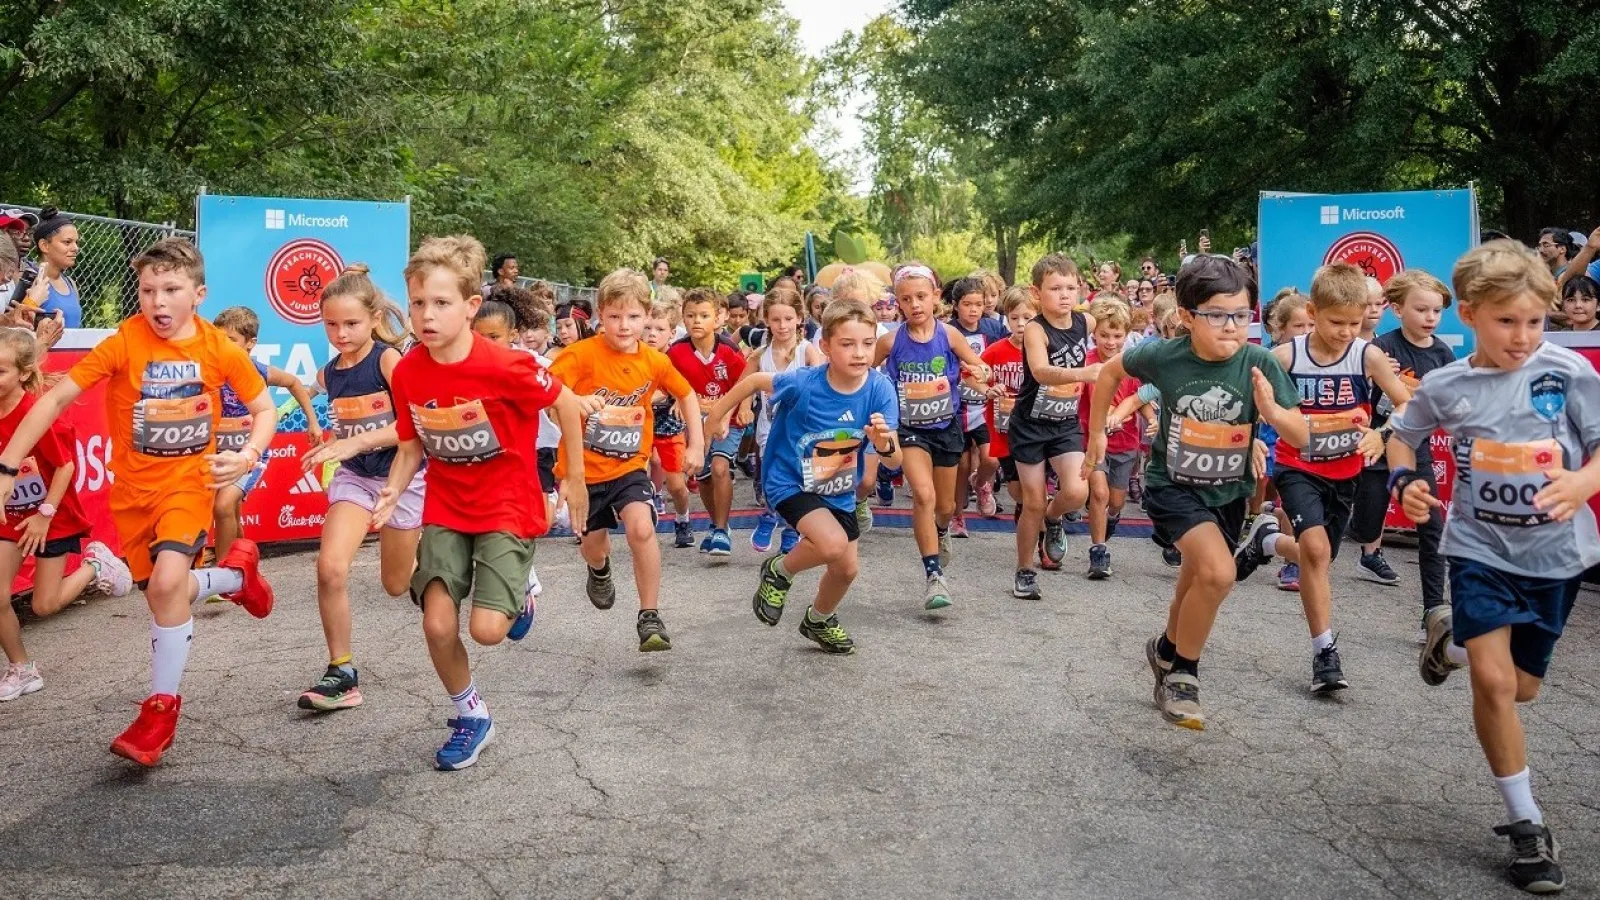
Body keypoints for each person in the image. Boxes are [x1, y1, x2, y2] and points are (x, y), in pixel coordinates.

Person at [0, 237, 276, 765]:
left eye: (171, 289)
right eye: (148, 290)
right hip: (132, 499)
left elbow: (264, 409)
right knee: (162, 594)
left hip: (187, 487)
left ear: (199, 294)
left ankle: (159, 712)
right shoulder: (125, 341)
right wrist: (8, 465)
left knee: (169, 586)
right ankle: (238, 577)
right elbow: (54, 397)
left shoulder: (218, 348)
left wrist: (247, 455)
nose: (158, 301)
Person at [1388, 240, 1600, 895]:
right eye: (1507, 321)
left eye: (1535, 321)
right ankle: (1527, 823)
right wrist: (1404, 482)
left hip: (1558, 557)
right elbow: (1403, 435)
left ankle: (1446, 644)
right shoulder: (1448, 384)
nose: (1523, 336)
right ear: (1473, 314)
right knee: (1495, 681)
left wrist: (1581, 484)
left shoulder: (1568, 373)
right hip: (1478, 551)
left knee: (1523, 688)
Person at [375, 235, 587, 771]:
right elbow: (410, 444)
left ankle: (523, 593)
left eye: (441, 303)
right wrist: (393, 490)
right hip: (446, 506)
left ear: (471, 307)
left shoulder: (507, 364)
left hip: (506, 507)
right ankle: (471, 716)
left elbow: (564, 404)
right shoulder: (408, 371)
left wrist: (575, 478)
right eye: (419, 302)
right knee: (437, 623)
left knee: (488, 631)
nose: (427, 315)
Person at [1087, 255, 1306, 730]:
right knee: (1218, 572)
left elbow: (1301, 435)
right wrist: (1097, 437)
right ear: (1187, 318)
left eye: (1241, 315)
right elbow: (1108, 373)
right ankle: (1184, 674)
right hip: (1172, 486)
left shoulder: (1260, 362)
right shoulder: (1163, 355)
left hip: (1227, 494)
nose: (1231, 327)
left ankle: (1165, 650)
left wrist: (1271, 408)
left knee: (1195, 583)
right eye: (1217, 315)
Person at [706, 298, 901, 654]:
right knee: (830, 545)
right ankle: (780, 570)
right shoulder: (804, 383)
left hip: (837, 487)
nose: (859, 353)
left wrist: (884, 444)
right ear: (825, 346)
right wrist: (716, 416)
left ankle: (819, 619)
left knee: (845, 570)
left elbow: (893, 460)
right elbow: (753, 382)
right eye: (847, 344)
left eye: (868, 344)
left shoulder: (879, 388)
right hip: (789, 481)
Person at [1268, 262, 1413, 694]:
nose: (1346, 331)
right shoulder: (1287, 356)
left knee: (1322, 557)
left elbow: (1406, 404)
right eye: (1336, 322)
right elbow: (1255, 402)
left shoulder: (1366, 356)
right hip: (1296, 467)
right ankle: (1324, 651)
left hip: (1345, 471)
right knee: (1314, 550)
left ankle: (1267, 541)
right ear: (1313, 312)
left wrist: (1380, 433)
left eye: (1355, 322)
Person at [549, 268, 704, 653]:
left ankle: (649, 614)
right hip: (582, 470)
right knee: (593, 545)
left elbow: (686, 395)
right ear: (601, 314)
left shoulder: (653, 361)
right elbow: (547, 393)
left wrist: (696, 445)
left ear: (646, 317)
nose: (624, 326)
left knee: (641, 528)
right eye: (615, 316)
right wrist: (574, 402)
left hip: (630, 464)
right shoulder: (580, 356)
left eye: (633, 317)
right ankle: (599, 569)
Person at [292, 265, 419, 712]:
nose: (341, 333)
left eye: (351, 324)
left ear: (371, 319)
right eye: (331, 324)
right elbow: (297, 389)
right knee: (329, 568)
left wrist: (353, 441)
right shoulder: (329, 373)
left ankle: (444, 565)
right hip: (356, 478)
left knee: (395, 584)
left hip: (402, 478)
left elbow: (412, 427)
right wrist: (305, 422)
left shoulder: (387, 360)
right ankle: (341, 672)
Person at [0, 328, 132, 702]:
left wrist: (44, 513)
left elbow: (66, 467)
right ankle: (22, 669)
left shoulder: (38, 414)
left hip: (51, 515)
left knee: (43, 605)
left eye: (0, 372)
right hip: (10, 516)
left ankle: (96, 566)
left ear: (23, 374)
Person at [874, 263, 990, 611]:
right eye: (906, 299)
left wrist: (984, 377)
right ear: (897, 302)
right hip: (908, 430)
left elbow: (975, 369)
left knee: (946, 506)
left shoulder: (949, 335)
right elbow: (865, 373)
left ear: (936, 297)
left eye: (921, 296)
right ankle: (933, 576)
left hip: (945, 428)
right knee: (922, 496)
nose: (915, 305)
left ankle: (941, 530)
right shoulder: (890, 341)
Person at [1347, 270, 1456, 641]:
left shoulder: (1443, 353)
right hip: (1373, 445)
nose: (1430, 317)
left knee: (1432, 525)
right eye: (1422, 309)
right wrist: (1377, 376)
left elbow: (1445, 402)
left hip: (1414, 448)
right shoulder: (1382, 348)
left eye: (1437, 311)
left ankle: (1434, 610)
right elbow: (1358, 388)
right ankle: (1356, 534)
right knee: (1365, 526)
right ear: (1397, 309)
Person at [209, 306, 321, 569]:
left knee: (224, 506)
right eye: (218, 339)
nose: (222, 346)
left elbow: (294, 383)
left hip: (250, 452)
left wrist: (313, 421)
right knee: (231, 511)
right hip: (219, 451)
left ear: (250, 344)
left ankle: (224, 576)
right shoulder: (209, 370)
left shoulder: (258, 371)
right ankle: (245, 566)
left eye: (231, 340)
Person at [1008, 254, 1095, 590]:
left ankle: (1054, 517)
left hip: (1064, 423)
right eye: (1055, 288)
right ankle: (1024, 570)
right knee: (1031, 501)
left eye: (1070, 287)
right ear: (1037, 292)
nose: (1064, 294)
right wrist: (1084, 373)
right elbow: (1042, 371)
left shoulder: (1085, 323)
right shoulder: (1034, 329)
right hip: (1030, 424)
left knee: (1076, 491)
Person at [668, 288, 747, 558]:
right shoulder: (676, 352)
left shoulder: (730, 350)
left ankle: (723, 530)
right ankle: (715, 524)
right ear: (683, 319)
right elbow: (667, 382)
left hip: (729, 418)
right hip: (695, 421)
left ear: (718, 319)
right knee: (701, 475)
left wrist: (727, 414)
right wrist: (677, 397)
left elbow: (744, 384)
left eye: (704, 315)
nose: (697, 321)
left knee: (720, 467)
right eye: (690, 315)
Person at [744, 286, 823, 554]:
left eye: (788, 319)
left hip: (802, 429)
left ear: (799, 318)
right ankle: (768, 514)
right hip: (770, 428)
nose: (782, 325)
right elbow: (743, 387)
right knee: (772, 477)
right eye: (776, 319)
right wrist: (744, 407)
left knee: (798, 479)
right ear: (766, 319)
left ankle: (791, 528)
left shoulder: (807, 351)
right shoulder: (759, 356)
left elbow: (824, 383)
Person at [1078, 298, 1140, 579]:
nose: (1111, 342)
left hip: (1126, 442)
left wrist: (1151, 420)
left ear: (1126, 336)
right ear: (1094, 335)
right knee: (1099, 494)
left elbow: (1141, 396)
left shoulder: (1131, 363)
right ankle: (1098, 551)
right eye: (1104, 335)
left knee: (1116, 501)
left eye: (1117, 336)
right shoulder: (1087, 362)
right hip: (1091, 439)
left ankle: (1109, 520)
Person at [1256, 292, 1314, 591]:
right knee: (1262, 484)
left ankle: (1292, 562)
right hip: (1269, 433)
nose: (1305, 333)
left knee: (1293, 497)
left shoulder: (1320, 357)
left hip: (1302, 437)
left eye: (1310, 326)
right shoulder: (1271, 358)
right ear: (1280, 328)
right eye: (1299, 326)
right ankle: (1254, 522)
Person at [978, 286, 1035, 567]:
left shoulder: (1045, 349)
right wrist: (988, 387)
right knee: (1016, 488)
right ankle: (1025, 509)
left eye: (1028, 317)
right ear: (1006, 319)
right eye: (1015, 318)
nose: (1021, 324)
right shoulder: (997, 350)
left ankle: (1043, 533)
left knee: (1036, 486)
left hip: (1038, 428)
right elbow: (972, 373)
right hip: (1005, 429)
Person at [946, 276, 1007, 536]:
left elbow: (1008, 352)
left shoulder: (994, 329)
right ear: (955, 304)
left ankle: (981, 483)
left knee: (992, 460)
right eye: (967, 304)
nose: (973, 310)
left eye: (978, 304)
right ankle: (957, 516)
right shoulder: (947, 331)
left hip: (985, 406)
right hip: (956, 409)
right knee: (959, 467)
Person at [644, 300, 694, 547]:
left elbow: (682, 388)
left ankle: (683, 519)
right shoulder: (634, 355)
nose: (652, 334)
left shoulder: (677, 357)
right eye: (648, 328)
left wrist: (680, 399)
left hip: (669, 426)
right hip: (639, 425)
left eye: (659, 329)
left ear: (672, 333)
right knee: (636, 472)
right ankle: (645, 512)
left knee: (676, 485)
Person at [22, 208, 83, 327]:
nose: (75, 248)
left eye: (76, 242)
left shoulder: (70, 284)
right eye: (67, 242)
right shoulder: (29, 281)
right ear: (44, 245)